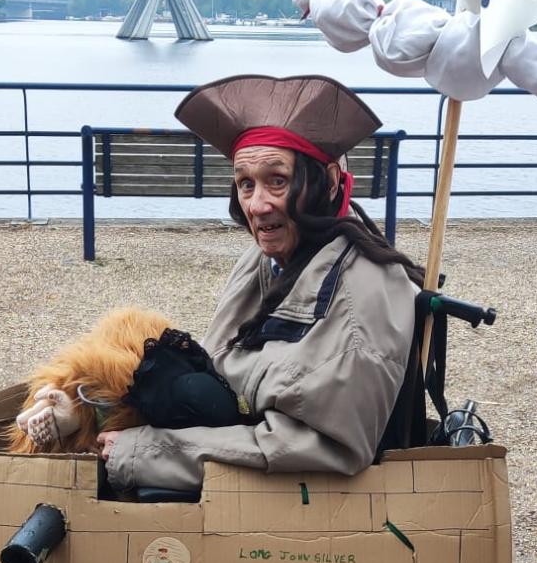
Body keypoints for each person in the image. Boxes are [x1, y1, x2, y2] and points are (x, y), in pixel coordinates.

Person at [97, 74, 419, 493]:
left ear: (328, 183)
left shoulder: (361, 297)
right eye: (246, 183)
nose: (257, 204)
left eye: (277, 180)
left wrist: (144, 451)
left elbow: (322, 448)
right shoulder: (269, 259)